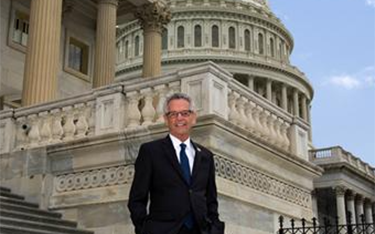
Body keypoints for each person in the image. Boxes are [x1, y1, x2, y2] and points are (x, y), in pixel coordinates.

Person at [128, 93, 225, 234]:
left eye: (185, 113)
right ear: (166, 119)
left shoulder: (206, 156)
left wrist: (215, 229)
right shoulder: (150, 152)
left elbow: (211, 201)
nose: (179, 118)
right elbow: (136, 199)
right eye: (173, 114)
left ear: (193, 118)